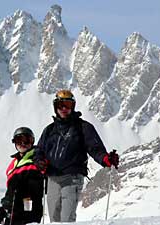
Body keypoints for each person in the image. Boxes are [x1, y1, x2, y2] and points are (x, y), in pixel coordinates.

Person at [34, 90, 119, 222]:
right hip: (52, 178)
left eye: (67, 105)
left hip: (72, 177)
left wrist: (105, 159)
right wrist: (39, 162)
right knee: (54, 219)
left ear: (72, 107)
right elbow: (39, 151)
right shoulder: (49, 130)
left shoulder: (83, 127)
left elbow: (95, 148)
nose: (63, 108)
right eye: (60, 105)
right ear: (55, 107)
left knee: (67, 218)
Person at [0, 127, 44, 225]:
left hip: (28, 209)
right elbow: (10, 189)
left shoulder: (37, 159)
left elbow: (40, 185)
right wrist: (5, 205)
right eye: (19, 141)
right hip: (13, 210)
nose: (22, 144)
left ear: (32, 142)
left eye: (26, 140)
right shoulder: (13, 164)